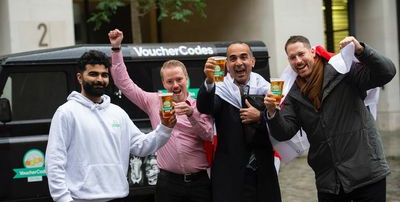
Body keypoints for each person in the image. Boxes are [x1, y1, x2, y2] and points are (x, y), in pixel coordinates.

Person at [264, 35, 396, 202]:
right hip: (329, 181)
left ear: (312, 52)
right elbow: (285, 132)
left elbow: (387, 72)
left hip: (366, 172)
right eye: (292, 57)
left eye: (301, 54)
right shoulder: (292, 93)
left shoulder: (342, 70)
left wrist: (362, 50)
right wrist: (272, 113)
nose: (298, 60)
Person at [45, 50, 176, 202]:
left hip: (118, 197)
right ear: (80, 78)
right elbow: (54, 162)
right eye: (93, 74)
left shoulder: (117, 113)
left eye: (104, 75)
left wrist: (165, 127)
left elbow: (141, 146)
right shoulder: (66, 113)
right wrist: (64, 199)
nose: (100, 79)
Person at [108, 29, 214, 202]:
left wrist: (191, 115)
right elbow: (124, 84)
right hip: (168, 182)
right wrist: (116, 49)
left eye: (179, 79)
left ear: (186, 79)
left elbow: (209, 134)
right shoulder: (153, 101)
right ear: (163, 83)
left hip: (200, 181)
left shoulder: (199, 104)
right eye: (170, 81)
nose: (175, 85)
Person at [196, 41, 282, 202]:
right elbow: (205, 107)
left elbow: (280, 124)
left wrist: (260, 116)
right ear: (227, 65)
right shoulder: (221, 89)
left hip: (263, 172)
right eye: (233, 59)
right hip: (230, 174)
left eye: (244, 57)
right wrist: (209, 82)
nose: (239, 63)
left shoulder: (267, 90)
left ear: (252, 61)